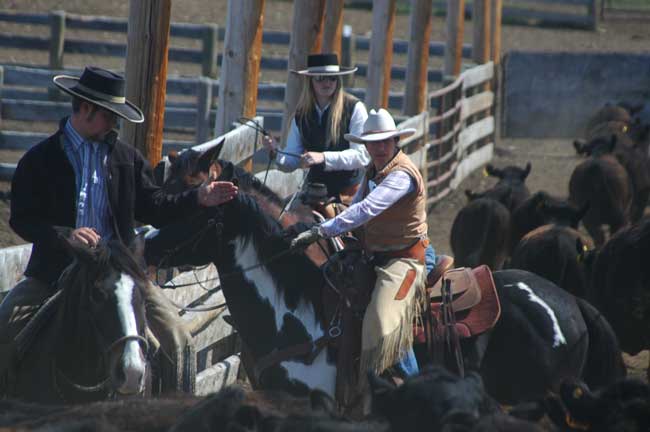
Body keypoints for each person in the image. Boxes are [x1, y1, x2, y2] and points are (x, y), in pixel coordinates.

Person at [0, 66, 238, 392]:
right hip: (56, 270)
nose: (115, 124)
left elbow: (155, 207)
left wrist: (197, 198)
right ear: (85, 109)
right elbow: (22, 219)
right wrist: (64, 234)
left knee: (180, 340)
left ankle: (175, 418)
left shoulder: (126, 159)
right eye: (110, 115)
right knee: (5, 324)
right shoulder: (40, 160)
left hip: (122, 274)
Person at [291, 108, 428, 381]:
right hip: (375, 256)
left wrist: (322, 230)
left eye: (385, 141)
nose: (379, 147)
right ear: (365, 146)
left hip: (404, 259)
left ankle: (416, 387)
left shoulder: (401, 175)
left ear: (395, 142)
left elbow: (367, 209)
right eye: (373, 142)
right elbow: (355, 207)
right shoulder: (373, 171)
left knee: (381, 323)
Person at [263, 53, 370, 205]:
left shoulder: (354, 108)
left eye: (332, 78)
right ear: (310, 80)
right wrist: (276, 152)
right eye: (320, 78)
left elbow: (362, 156)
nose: (327, 83)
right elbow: (291, 160)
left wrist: (324, 157)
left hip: (349, 194)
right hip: (314, 193)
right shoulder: (301, 115)